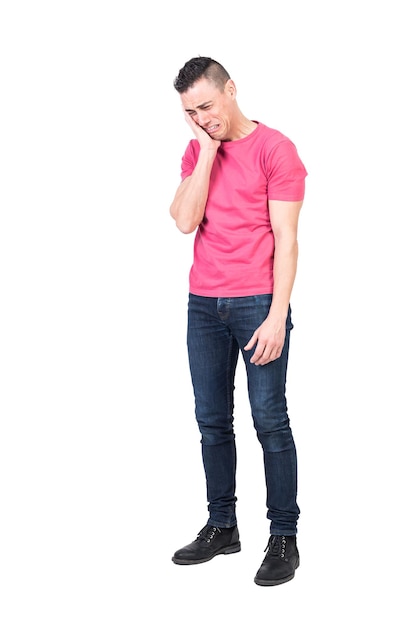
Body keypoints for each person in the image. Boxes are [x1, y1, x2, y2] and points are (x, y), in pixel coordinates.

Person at [169, 56, 307, 586]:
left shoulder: (276, 149)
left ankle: (284, 536)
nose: (203, 117)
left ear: (231, 89)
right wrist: (206, 150)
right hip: (203, 305)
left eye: (208, 106)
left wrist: (277, 315)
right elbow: (184, 221)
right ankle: (222, 525)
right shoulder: (196, 147)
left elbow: (289, 241)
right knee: (211, 422)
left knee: (270, 421)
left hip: (257, 304)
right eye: (191, 112)